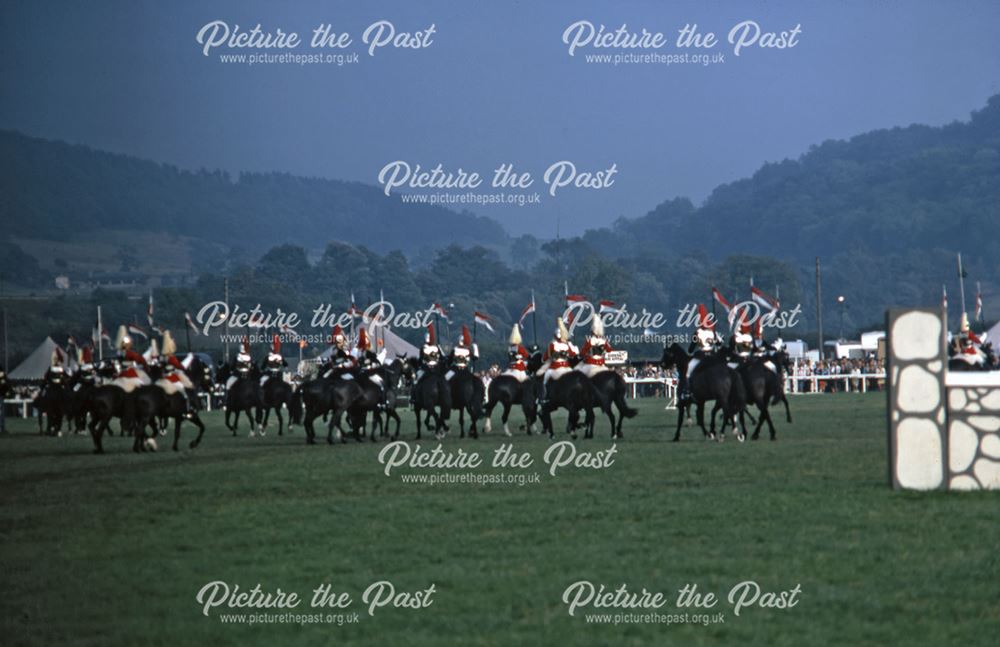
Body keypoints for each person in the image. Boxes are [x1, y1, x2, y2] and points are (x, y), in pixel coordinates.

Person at [680, 305, 720, 403]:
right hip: (713, 355)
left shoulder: (697, 332)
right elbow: (719, 343)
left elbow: (691, 348)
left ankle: (687, 391)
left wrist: (689, 351)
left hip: (701, 355)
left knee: (688, 371)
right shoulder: (713, 331)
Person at [537, 318, 575, 405]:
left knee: (544, 381)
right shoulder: (566, 345)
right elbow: (572, 354)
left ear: (555, 336)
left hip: (555, 368)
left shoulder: (552, 345)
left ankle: (544, 398)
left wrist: (543, 360)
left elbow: (545, 358)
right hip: (567, 367)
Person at [156, 330, 195, 417]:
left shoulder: (161, 358)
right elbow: (181, 367)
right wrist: (189, 358)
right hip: (172, 380)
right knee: (184, 394)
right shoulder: (172, 358)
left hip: (162, 379)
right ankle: (187, 410)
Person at [113, 325, 151, 392]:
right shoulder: (132, 354)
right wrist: (146, 368)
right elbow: (141, 360)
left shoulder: (118, 353)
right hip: (131, 374)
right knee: (146, 385)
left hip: (120, 374)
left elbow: (116, 366)